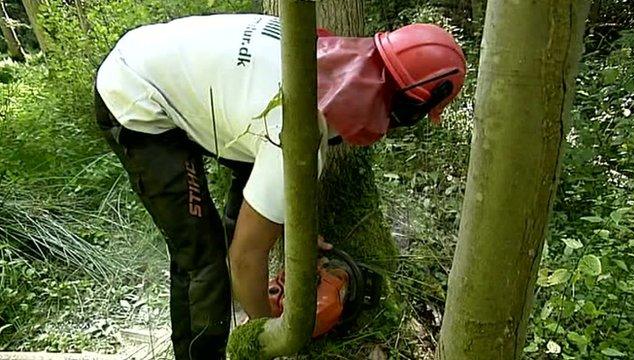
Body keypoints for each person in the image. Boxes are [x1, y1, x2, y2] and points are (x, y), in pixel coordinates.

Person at [94, 13, 465, 359]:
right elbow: (245, 259)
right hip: (136, 92)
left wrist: (294, 226)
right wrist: (268, 334)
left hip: (178, 66)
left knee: (244, 230)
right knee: (203, 259)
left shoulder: (309, 50)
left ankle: (234, 288)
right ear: (407, 111)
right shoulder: (291, 134)